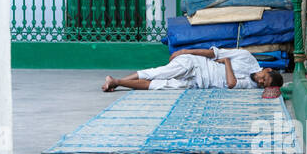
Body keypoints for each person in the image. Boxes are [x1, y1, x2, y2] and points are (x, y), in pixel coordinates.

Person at [102, 45, 283, 93]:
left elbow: (231, 84)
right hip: (195, 65)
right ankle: (116, 80)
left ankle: (116, 82)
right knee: (159, 73)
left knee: (159, 85)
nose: (260, 81)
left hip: (196, 84)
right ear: (266, 69)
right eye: (263, 78)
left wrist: (227, 63)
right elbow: (213, 53)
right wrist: (184, 51)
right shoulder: (246, 57)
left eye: (262, 84)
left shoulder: (252, 86)